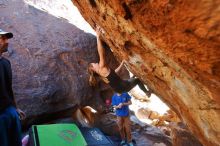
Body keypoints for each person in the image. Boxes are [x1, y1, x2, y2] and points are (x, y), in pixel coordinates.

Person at [88, 27, 152, 97]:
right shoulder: (101, 67)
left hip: (121, 87)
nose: (95, 63)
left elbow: (114, 73)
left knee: (132, 79)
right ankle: (147, 93)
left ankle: (132, 81)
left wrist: (122, 63)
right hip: (124, 86)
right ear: (93, 69)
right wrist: (98, 36)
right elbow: (101, 52)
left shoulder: (101, 74)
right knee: (138, 80)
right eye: (93, 64)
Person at [0, 29, 26, 146]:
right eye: (3, 38)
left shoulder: (6, 63)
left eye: (7, 38)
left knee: (15, 142)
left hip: (9, 111)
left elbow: (8, 88)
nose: (7, 41)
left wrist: (15, 108)